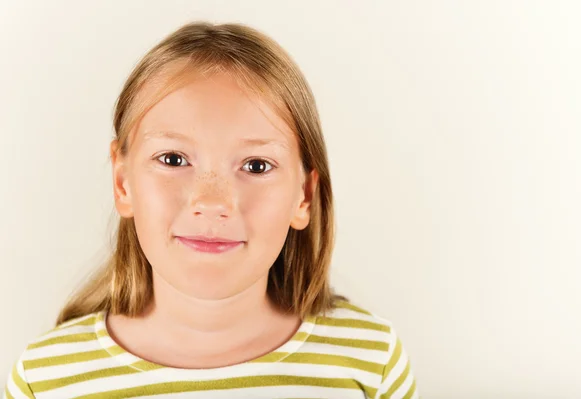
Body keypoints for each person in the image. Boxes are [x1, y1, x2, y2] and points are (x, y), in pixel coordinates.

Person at [3, 21, 418, 399]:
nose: (212, 202)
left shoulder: (370, 363)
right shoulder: (45, 380)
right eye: (173, 159)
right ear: (122, 182)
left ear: (304, 197)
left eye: (256, 166)